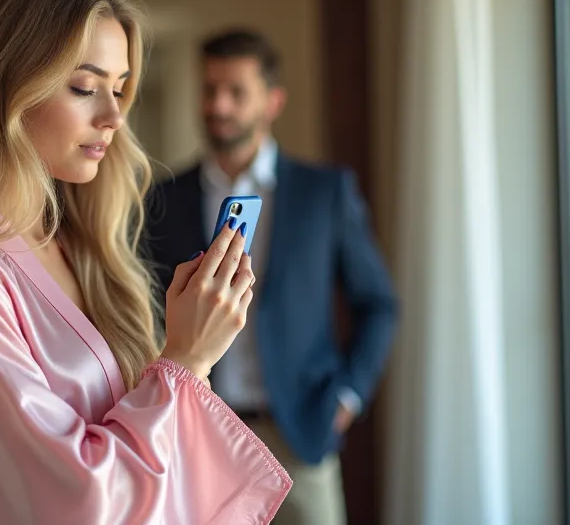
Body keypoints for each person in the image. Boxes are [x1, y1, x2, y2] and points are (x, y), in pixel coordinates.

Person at [0, 0, 292, 525]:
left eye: (119, 89)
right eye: (84, 87)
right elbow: (66, 505)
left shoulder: (75, 246)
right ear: (5, 85)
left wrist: (188, 364)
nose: (113, 117)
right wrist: (185, 359)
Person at [144, 29, 399, 525]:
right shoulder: (163, 199)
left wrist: (347, 395)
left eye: (236, 92)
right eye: (209, 89)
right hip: (199, 433)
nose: (218, 105)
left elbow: (378, 304)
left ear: (273, 100)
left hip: (300, 433)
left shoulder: (324, 192)